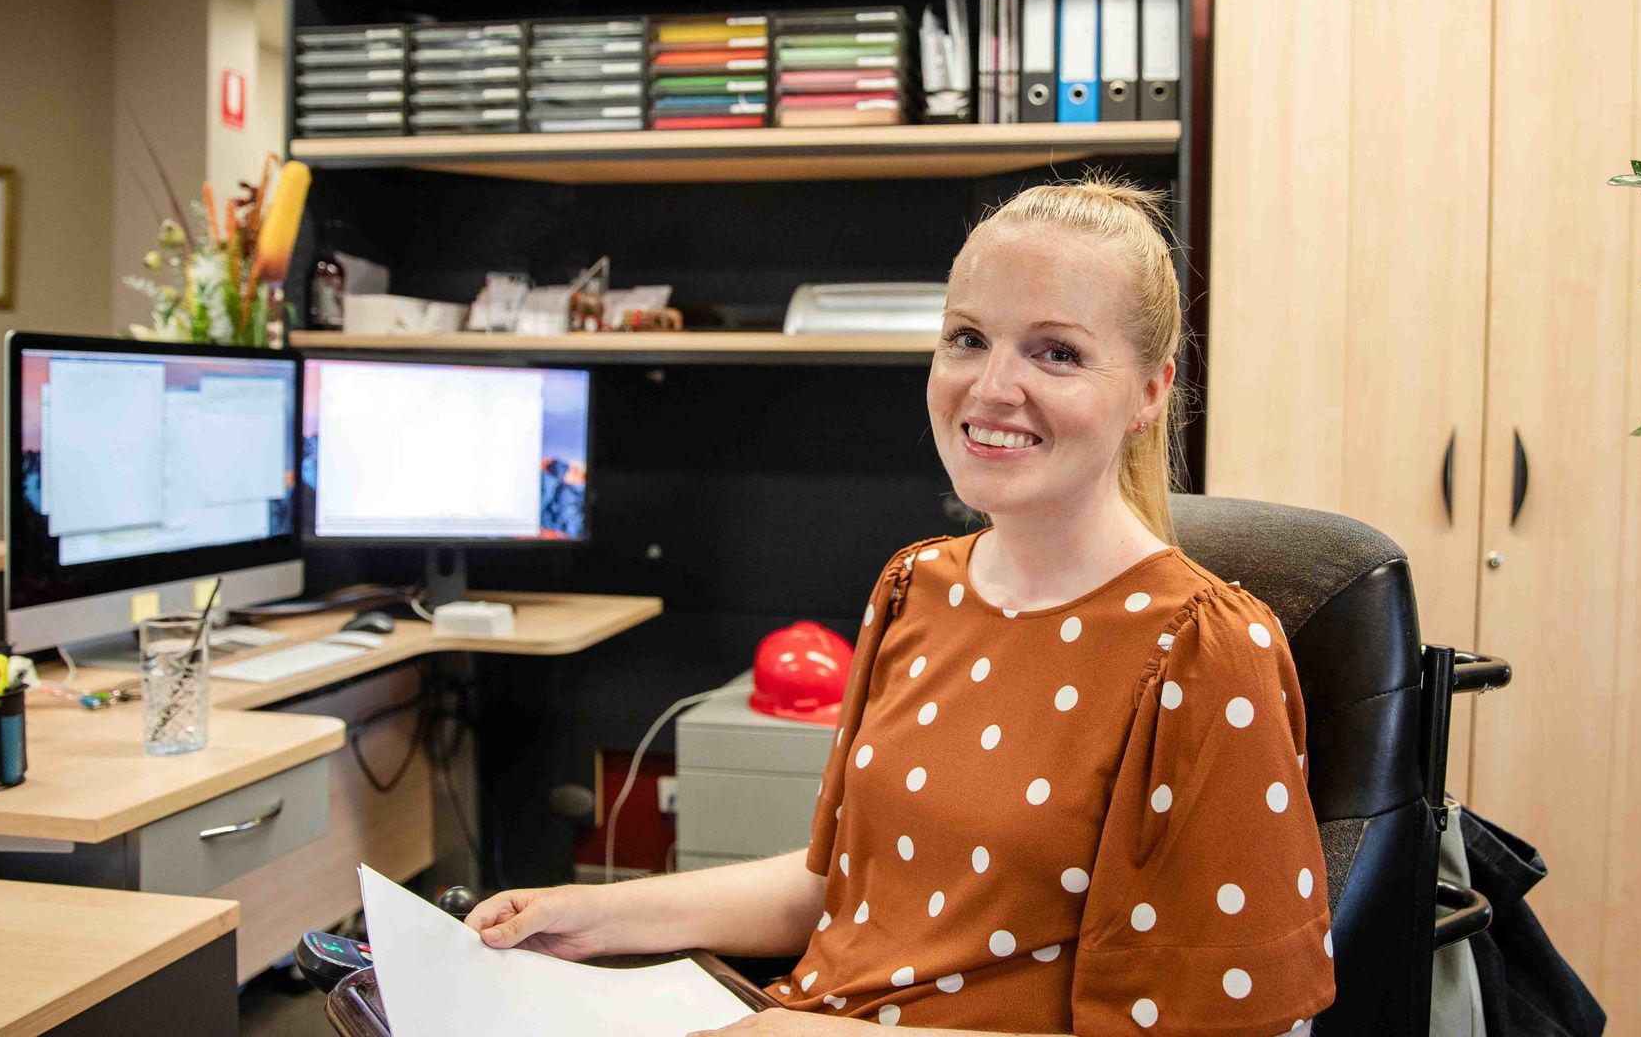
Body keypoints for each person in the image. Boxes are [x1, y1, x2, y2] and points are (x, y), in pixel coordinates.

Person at [466, 177, 1336, 1036]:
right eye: (968, 338)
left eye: (1056, 352)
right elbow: (837, 886)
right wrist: (591, 917)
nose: (993, 387)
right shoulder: (916, 586)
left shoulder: (1201, 649)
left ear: (1150, 392)